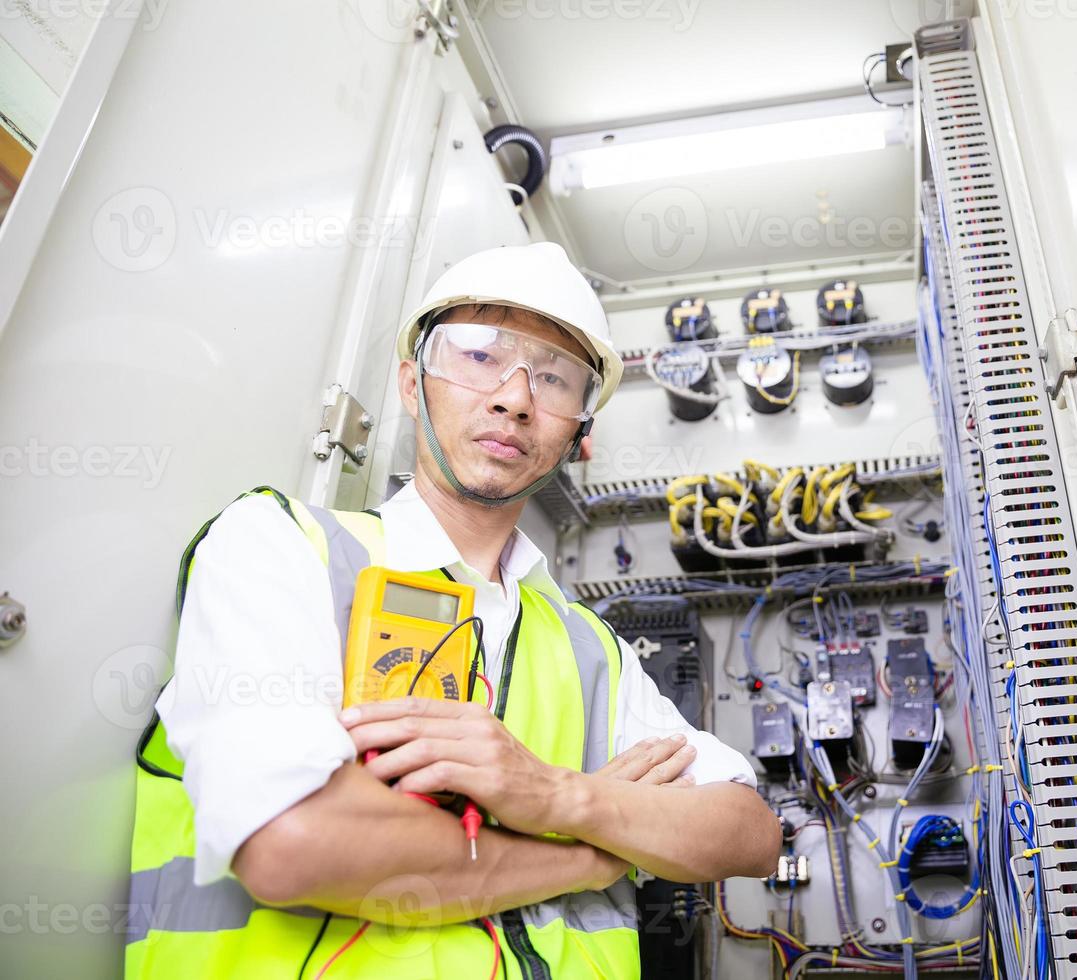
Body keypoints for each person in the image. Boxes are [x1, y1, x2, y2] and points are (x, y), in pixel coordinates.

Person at [126, 242, 781, 978]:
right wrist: (598, 851)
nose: (515, 398)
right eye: (477, 357)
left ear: (578, 432)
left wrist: (554, 793)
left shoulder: (590, 649)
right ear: (412, 384)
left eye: (557, 379)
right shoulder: (283, 549)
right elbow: (295, 844)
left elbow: (748, 831)